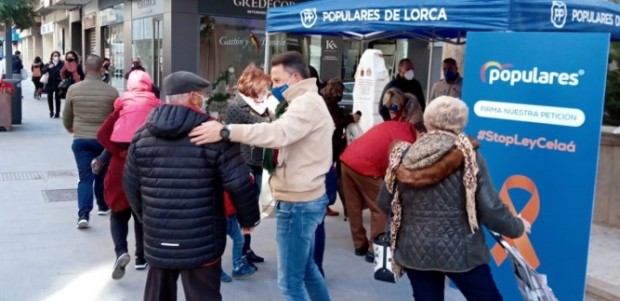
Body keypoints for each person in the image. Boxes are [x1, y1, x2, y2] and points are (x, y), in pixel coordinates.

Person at [188, 51, 334, 301]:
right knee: (308, 271)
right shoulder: (307, 100)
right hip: (305, 196)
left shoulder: (306, 103)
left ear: (295, 77)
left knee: (290, 284)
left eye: (277, 81)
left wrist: (226, 131)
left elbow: (277, 133)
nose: (273, 87)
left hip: (298, 202)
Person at [123, 71, 260, 301]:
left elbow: (130, 185)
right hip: (203, 240)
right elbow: (240, 184)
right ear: (194, 97)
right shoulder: (213, 133)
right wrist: (248, 220)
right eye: (202, 95)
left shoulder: (142, 134)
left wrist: (146, 218)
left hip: (159, 238)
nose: (203, 99)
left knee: (158, 295)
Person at [377, 96, 531, 301]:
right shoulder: (469, 156)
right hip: (463, 253)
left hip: (415, 250)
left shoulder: (403, 155)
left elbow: (384, 202)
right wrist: (516, 227)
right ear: (461, 123)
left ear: (428, 120)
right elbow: (490, 208)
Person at [340, 88, 422, 263]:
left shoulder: (387, 125)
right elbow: (397, 167)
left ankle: (359, 244)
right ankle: (374, 249)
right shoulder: (407, 134)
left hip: (347, 159)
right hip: (365, 166)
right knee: (380, 207)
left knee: (353, 206)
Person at [96, 70, 161, 279]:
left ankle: (121, 252)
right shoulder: (157, 105)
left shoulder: (122, 105)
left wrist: (119, 152)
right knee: (141, 213)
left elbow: (102, 134)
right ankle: (141, 258)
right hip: (146, 166)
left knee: (118, 212)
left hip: (119, 167)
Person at [63, 54, 118, 229]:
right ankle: (103, 206)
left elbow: (67, 116)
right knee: (102, 173)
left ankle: (83, 214)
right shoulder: (111, 91)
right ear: (102, 69)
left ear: (85, 68)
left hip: (81, 140)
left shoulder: (74, 89)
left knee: (85, 177)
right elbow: (115, 118)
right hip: (103, 141)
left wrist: (71, 128)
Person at [224, 63, 270, 265]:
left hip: (257, 161)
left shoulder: (260, 105)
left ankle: (246, 248)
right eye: (263, 88)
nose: (265, 92)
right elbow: (261, 128)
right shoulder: (236, 106)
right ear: (253, 86)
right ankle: (241, 252)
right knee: (244, 210)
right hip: (244, 164)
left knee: (250, 210)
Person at [321, 78, 354, 218]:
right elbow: (337, 122)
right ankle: (331, 205)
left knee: (338, 174)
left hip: (334, 143)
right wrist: (351, 118)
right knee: (336, 175)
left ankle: (346, 207)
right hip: (332, 143)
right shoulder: (330, 104)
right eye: (340, 92)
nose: (341, 95)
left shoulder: (328, 102)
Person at [220, 173, 259, 283]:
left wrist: (248, 176)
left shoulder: (232, 169)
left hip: (231, 214)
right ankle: (217, 270)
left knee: (239, 239)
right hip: (219, 216)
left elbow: (247, 180)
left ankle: (238, 266)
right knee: (219, 246)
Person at [42, 51, 64, 118]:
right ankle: (51, 111)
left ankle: (57, 112)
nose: (56, 57)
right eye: (54, 55)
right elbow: (43, 70)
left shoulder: (62, 64)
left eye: (57, 55)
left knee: (58, 98)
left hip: (58, 83)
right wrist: (48, 68)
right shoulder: (49, 63)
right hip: (50, 83)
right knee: (50, 97)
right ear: (52, 56)